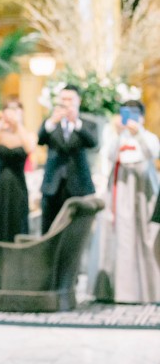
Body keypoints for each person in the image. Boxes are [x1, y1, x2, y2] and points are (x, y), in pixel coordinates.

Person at [91, 100, 160, 303]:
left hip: (142, 193)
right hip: (120, 194)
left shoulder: (148, 136)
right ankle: (121, 292)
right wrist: (119, 132)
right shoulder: (118, 138)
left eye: (135, 113)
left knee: (146, 239)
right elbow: (110, 155)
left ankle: (150, 291)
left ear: (142, 117)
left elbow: (153, 153)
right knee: (121, 239)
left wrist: (138, 133)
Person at [38, 84, 97, 234]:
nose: (66, 102)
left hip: (78, 184)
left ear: (79, 101)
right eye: (63, 99)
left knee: (76, 231)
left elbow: (93, 143)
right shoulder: (51, 122)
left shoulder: (87, 123)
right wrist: (52, 122)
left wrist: (76, 123)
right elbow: (40, 139)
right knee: (49, 230)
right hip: (53, 185)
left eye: (70, 99)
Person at [0, 100, 37, 246]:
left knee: (17, 219)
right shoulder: (0, 135)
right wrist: (1, 125)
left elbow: (30, 148)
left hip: (18, 185)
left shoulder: (28, 134)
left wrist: (18, 125)